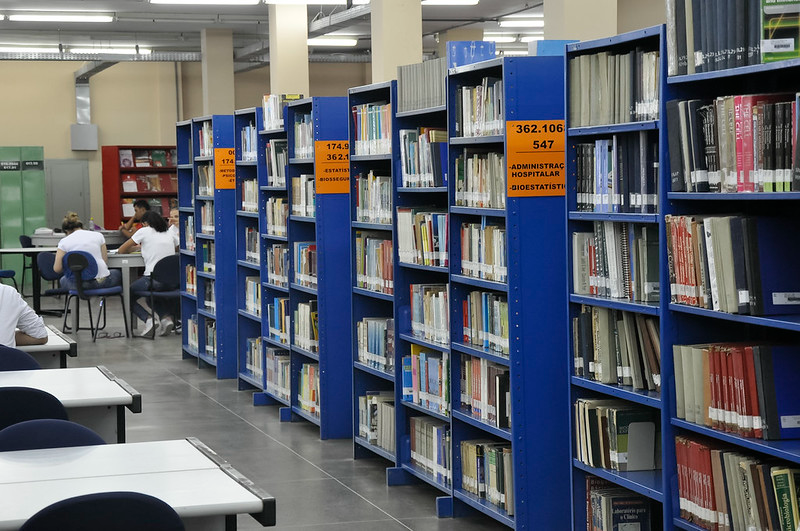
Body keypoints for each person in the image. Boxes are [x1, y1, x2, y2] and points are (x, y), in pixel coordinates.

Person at [118, 211, 179, 337]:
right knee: (151, 298)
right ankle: (166, 319)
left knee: (126, 295)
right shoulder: (169, 233)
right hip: (173, 282)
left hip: (153, 279)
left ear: (145, 223)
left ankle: (148, 319)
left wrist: (137, 248)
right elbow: (176, 249)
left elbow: (121, 250)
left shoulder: (144, 231)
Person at [54, 212, 121, 290]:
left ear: (66, 231)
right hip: (101, 282)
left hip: (78, 284)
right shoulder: (98, 236)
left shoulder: (64, 241)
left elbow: (57, 269)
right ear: (81, 226)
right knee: (116, 273)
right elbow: (104, 261)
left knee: (63, 280)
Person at [0, 283, 48, 347]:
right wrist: (6, 337)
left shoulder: (8, 293)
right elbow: (40, 335)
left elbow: (40, 335)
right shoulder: (8, 293)